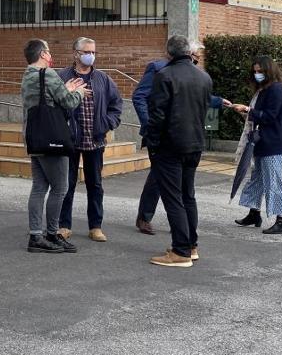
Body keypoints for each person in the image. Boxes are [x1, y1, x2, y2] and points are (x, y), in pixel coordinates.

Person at [133, 49, 231, 235]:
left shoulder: (196, 74)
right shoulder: (158, 69)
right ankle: (145, 217)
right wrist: (150, 126)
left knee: (183, 187)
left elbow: (192, 96)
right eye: (196, 55)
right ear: (187, 52)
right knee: (158, 178)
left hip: (185, 138)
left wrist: (218, 101)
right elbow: (140, 96)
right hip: (161, 136)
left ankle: (180, 227)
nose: (197, 60)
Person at [144, 37, 213, 268]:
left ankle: (180, 250)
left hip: (170, 145)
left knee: (173, 198)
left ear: (168, 53)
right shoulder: (203, 76)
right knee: (187, 195)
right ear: (189, 52)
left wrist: (152, 143)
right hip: (195, 143)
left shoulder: (164, 75)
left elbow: (157, 116)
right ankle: (191, 245)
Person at [20, 39, 88, 253]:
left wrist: (65, 89)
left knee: (39, 187)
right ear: (42, 54)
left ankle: (35, 236)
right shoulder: (48, 74)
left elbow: (47, 98)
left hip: (35, 136)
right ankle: (51, 233)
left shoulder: (27, 75)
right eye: (48, 51)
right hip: (53, 138)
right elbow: (67, 102)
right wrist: (78, 93)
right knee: (60, 188)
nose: (50, 55)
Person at [57, 37, 123, 243]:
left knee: (95, 184)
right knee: (66, 184)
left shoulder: (103, 79)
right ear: (76, 53)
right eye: (87, 51)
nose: (91, 56)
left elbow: (116, 104)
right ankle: (63, 225)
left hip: (95, 140)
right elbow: (53, 103)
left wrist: (107, 123)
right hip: (70, 141)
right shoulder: (62, 77)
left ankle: (95, 226)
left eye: (93, 52)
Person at [232, 56, 282, 236]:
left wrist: (248, 110)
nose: (257, 74)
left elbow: (270, 116)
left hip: (274, 144)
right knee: (258, 178)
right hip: (264, 142)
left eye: (260, 71)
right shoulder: (265, 89)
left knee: (273, 182)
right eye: (255, 71)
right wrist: (247, 112)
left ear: (269, 71)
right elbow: (260, 115)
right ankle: (254, 213)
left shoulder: (276, 89)